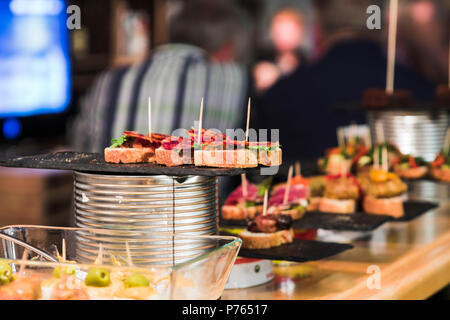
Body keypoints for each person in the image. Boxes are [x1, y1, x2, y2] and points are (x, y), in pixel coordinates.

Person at [257, 0, 435, 163]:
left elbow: (261, 173)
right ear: (384, 21)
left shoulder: (278, 95)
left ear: (318, 25)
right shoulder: (425, 92)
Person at [71, 0, 249, 153]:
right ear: (227, 49)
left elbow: (80, 145)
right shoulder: (236, 78)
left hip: (106, 191)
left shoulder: (108, 78)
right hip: (198, 192)